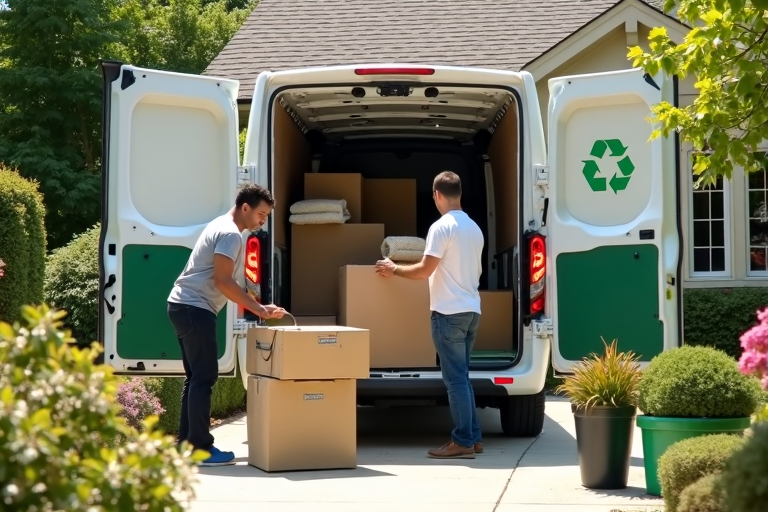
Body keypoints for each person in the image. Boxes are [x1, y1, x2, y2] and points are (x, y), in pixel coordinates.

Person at [167, 184, 286, 466]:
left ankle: (186, 446)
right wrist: (257, 308)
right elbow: (223, 280)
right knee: (204, 377)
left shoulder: (220, 225)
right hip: (194, 307)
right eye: (261, 214)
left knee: (196, 377)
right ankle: (200, 448)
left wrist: (258, 304)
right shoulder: (231, 234)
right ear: (245, 207)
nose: (262, 221)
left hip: (183, 306)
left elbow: (227, 280)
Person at [375, 171, 484, 459]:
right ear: (459, 193)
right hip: (471, 311)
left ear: (436, 195)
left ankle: (461, 441)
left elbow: (425, 269)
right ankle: (473, 439)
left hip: (448, 313)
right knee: (463, 377)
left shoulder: (441, 227)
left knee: (455, 380)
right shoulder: (474, 228)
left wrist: (393, 269)